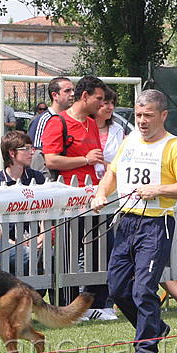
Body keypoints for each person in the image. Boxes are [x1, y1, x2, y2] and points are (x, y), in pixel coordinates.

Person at [91, 89, 177, 353]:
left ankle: (145, 351)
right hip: (126, 221)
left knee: (143, 288)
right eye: (138, 115)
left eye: (148, 115)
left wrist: (158, 189)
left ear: (163, 115)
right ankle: (156, 328)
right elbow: (113, 174)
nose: (142, 120)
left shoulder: (174, 146)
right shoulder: (129, 141)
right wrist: (101, 194)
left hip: (156, 223)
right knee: (117, 289)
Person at [42, 75, 115, 320]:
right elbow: (50, 160)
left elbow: (97, 160)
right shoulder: (58, 123)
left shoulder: (92, 124)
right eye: (99, 98)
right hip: (68, 203)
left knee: (102, 249)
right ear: (85, 96)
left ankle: (97, 303)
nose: (102, 103)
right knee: (70, 253)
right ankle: (69, 304)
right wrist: (84, 160)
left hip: (93, 197)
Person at [0, 131, 45, 275]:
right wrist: (11, 242)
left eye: (32, 148)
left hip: (34, 238)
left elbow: (45, 210)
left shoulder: (37, 178)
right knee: (24, 256)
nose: (32, 152)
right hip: (7, 241)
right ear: (12, 153)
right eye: (26, 149)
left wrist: (42, 235)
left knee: (55, 258)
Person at [29, 77, 75, 180]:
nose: (72, 94)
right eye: (67, 91)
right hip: (49, 180)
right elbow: (36, 155)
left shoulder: (71, 119)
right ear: (55, 95)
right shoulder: (43, 120)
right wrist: (46, 181)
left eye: (73, 90)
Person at [93, 87, 125, 180]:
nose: (111, 107)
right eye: (106, 103)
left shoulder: (118, 130)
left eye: (112, 103)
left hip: (112, 182)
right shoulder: (83, 127)